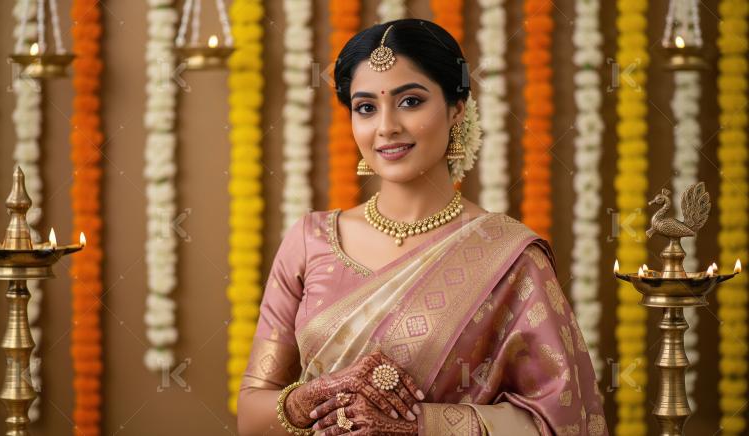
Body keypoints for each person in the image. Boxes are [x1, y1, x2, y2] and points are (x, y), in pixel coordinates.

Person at [237, 18, 606, 435]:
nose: (386, 126)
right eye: (366, 107)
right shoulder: (310, 240)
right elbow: (251, 415)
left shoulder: (510, 256)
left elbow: (562, 420)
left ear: (456, 109)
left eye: (410, 101)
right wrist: (314, 395)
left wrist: (421, 426)